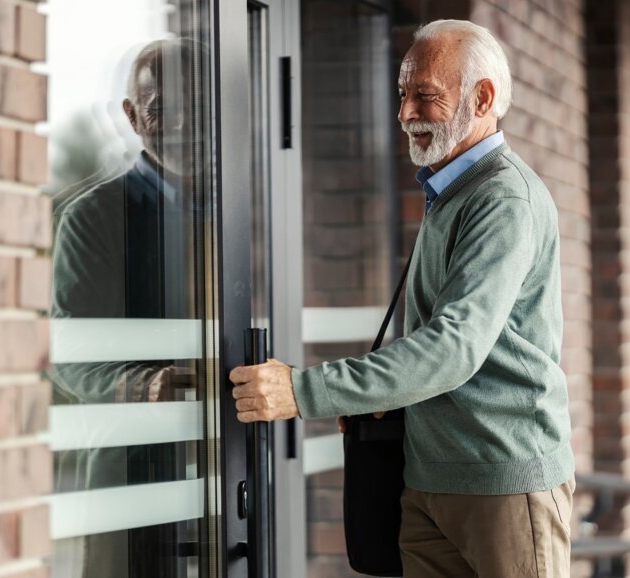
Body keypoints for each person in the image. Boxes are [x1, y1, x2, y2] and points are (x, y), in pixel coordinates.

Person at [229, 19, 575, 577]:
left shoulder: (503, 198)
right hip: (428, 479)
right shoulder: (449, 190)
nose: (405, 113)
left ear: (482, 98)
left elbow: (454, 347)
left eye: (426, 95)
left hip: (503, 485)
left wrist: (303, 391)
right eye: (402, 94)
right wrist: (385, 396)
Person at [50, 38, 202, 578]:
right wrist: (146, 384)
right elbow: (68, 353)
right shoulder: (93, 217)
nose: (185, 125)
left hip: (228, 466)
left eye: (198, 107)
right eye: (165, 110)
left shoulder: (244, 211)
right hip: (136, 469)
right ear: (133, 116)